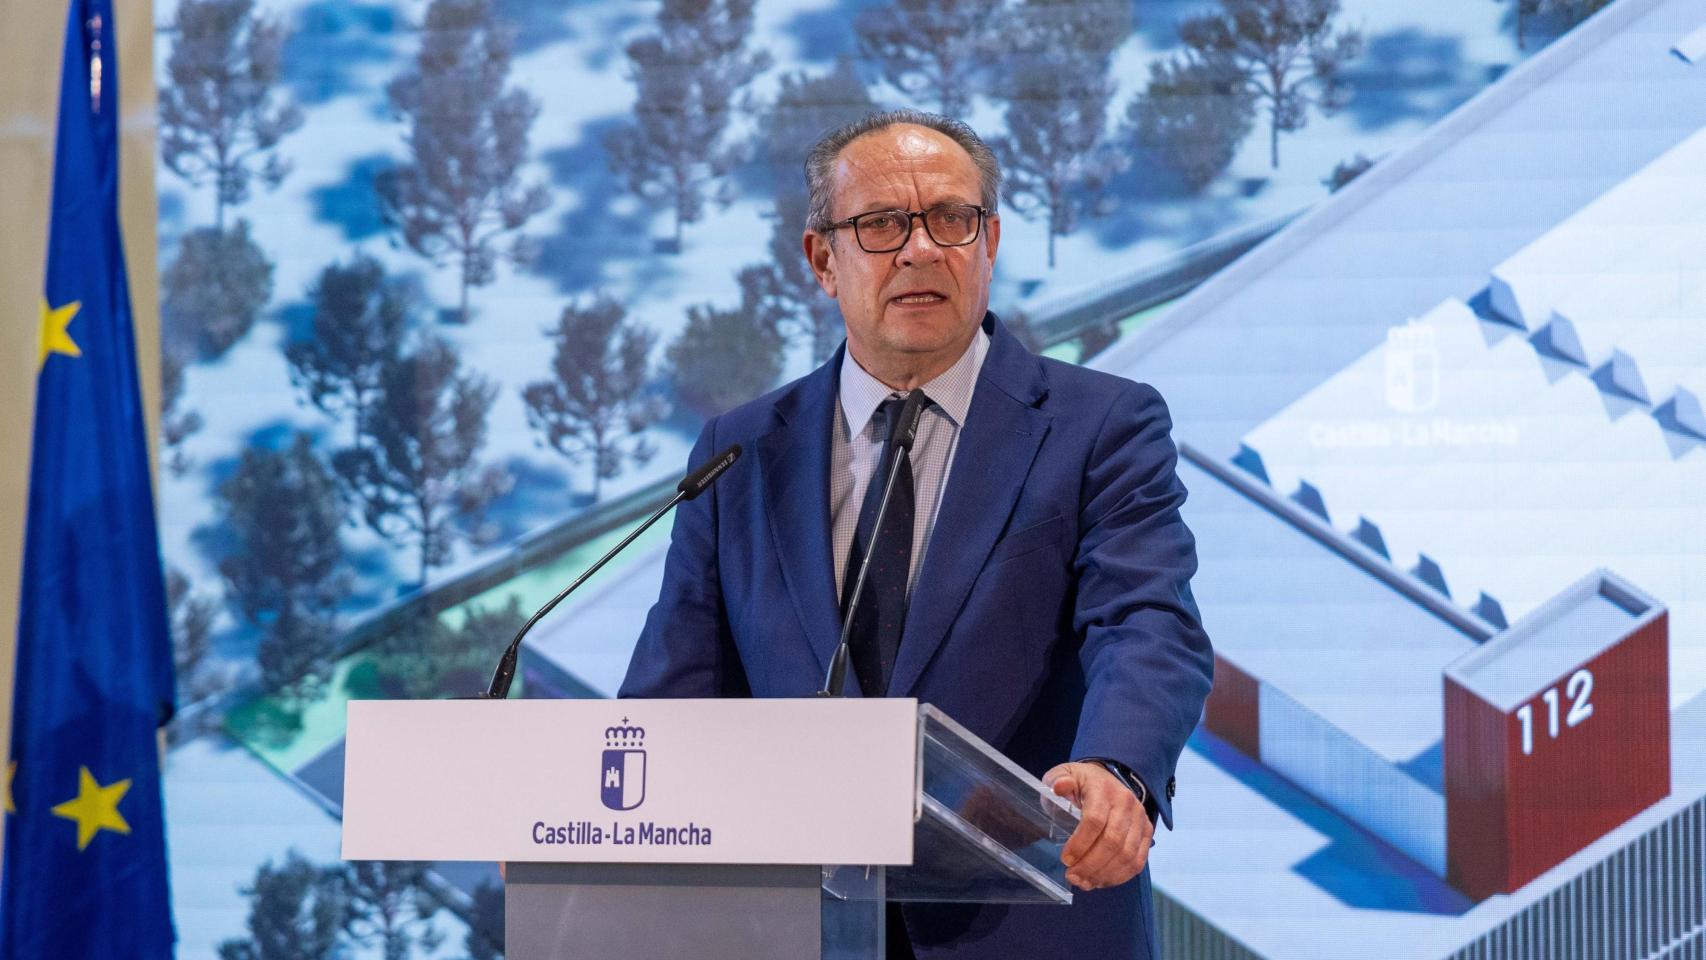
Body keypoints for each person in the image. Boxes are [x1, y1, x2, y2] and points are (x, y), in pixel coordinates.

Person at [619, 109, 1213, 960]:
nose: (922, 249)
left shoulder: (1101, 426)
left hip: (1026, 925)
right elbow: (677, 687)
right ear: (823, 259)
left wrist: (1119, 770)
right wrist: (590, 816)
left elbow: (1147, 622)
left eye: (951, 219)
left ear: (991, 241)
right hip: (792, 930)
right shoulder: (740, 453)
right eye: (882, 225)